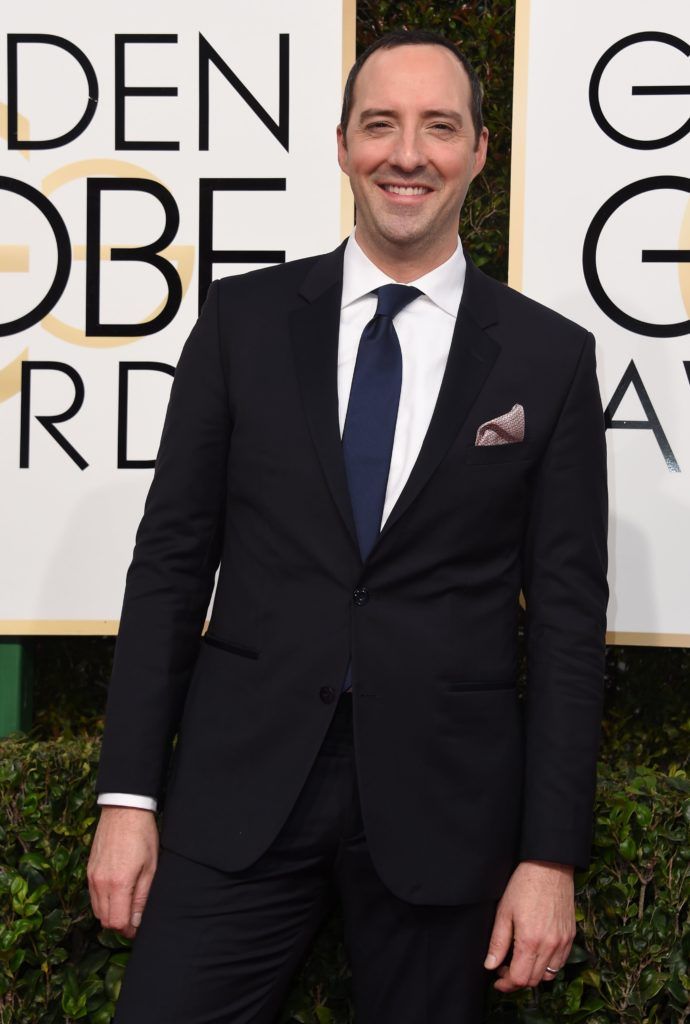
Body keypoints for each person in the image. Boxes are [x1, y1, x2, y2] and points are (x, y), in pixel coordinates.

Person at [88, 28, 608, 1024]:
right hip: (240, 789)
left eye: (438, 128)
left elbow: (568, 623)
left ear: (479, 153)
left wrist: (550, 855)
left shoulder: (547, 360)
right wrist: (127, 796)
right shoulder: (243, 323)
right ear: (340, 144)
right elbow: (169, 564)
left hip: (446, 807)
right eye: (380, 125)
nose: (406, 153)